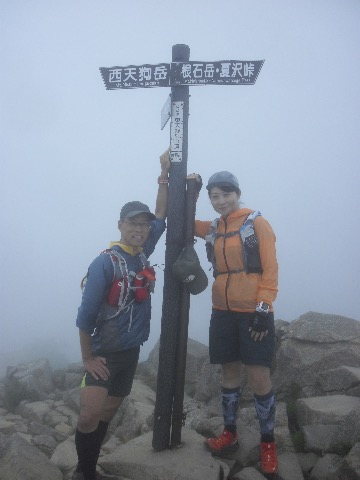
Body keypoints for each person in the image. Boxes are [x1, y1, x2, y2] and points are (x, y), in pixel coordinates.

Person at [73, 149, 170, 480]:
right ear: (120, 225)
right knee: (89, 416)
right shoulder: (105, 262)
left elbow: (160, 212)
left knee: (109, 412)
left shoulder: (143, 254)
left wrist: (163, 174)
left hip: (130, 353)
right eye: (133, 223)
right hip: (103, 353)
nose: (140, 229)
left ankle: (89, 470)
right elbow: (85, 316)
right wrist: (87, 358)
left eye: (143, 225)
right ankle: (84, 473)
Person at [189, 170, 279, 475]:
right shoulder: (213, 227)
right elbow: (183, 222)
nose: (220, 201)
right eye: (214, 196)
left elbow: (270, 269)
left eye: (226, 194)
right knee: (229, 376)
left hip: (253, 312)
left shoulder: (256, 224)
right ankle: (230, 432)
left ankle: (268, 443)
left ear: (236, 194)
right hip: (222, 311)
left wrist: (264, 310)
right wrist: (189, 188)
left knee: (258, 378)